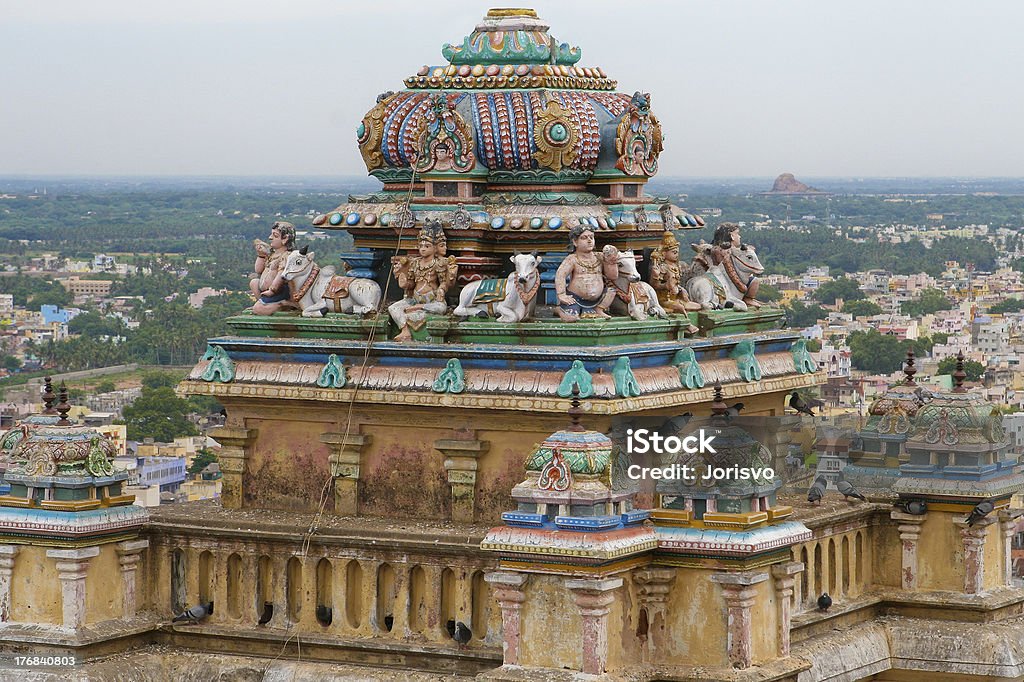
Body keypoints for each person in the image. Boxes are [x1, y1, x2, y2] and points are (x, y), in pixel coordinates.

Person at [388, 222, 450, 341]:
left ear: (435, 248)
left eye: (427, 246)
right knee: (393, 308)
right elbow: (412, 284)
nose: (422, 249)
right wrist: (405, 284)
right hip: (414, 299)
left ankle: (420, 307)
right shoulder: (415, 263)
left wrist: (442, 289)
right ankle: (405, 330)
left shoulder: (439, 263)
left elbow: (443, 282)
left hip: (432, 300)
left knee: (440, 309)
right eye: (420, 246)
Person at [554, 225, 617, 322]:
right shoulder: (572, 259)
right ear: (575, 242)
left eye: (591, 237)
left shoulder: (600, 257)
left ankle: (599, 309)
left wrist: (611, 262)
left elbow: (612, 276)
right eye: (584, 238)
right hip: (575, 299)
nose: (589, 240)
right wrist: (561, 294)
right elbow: (560, 275)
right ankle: (559, 310)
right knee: (571, 318)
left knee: (611, 291)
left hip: (598, 300)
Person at [251, 221, 297, 315]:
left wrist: (272, 291)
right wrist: (261, 255)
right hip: (265, 290)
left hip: (279, 290)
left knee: (257, 309)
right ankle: (263, 303)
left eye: (275, 236)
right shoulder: (272, 254)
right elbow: (258, 270)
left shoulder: (286, 256)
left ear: (285, 239)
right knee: (254, 282)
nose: (270, 238)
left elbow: (281, 275)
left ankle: (283, 305)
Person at [711, 222, 761, 308]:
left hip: (735, 278)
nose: (739, 236)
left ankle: (748, 298)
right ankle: (746, 299)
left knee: (754, 281)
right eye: (737, 234)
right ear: (731, 236)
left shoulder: (733, 250)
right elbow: (725, 267)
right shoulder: (721, 250)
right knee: (754, 281)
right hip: (724, 280)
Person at [649, 231, 702, 313]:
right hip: (664, 299)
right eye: (674, 252)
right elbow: (654, 286)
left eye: (677, 252)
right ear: (664, 253)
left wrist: (681, 290)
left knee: (698, 306)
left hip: (676, 297)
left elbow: (676, 283)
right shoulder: (662, 268)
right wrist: (665, 285)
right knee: (680, 308)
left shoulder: (676, 266)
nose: (677, 255)